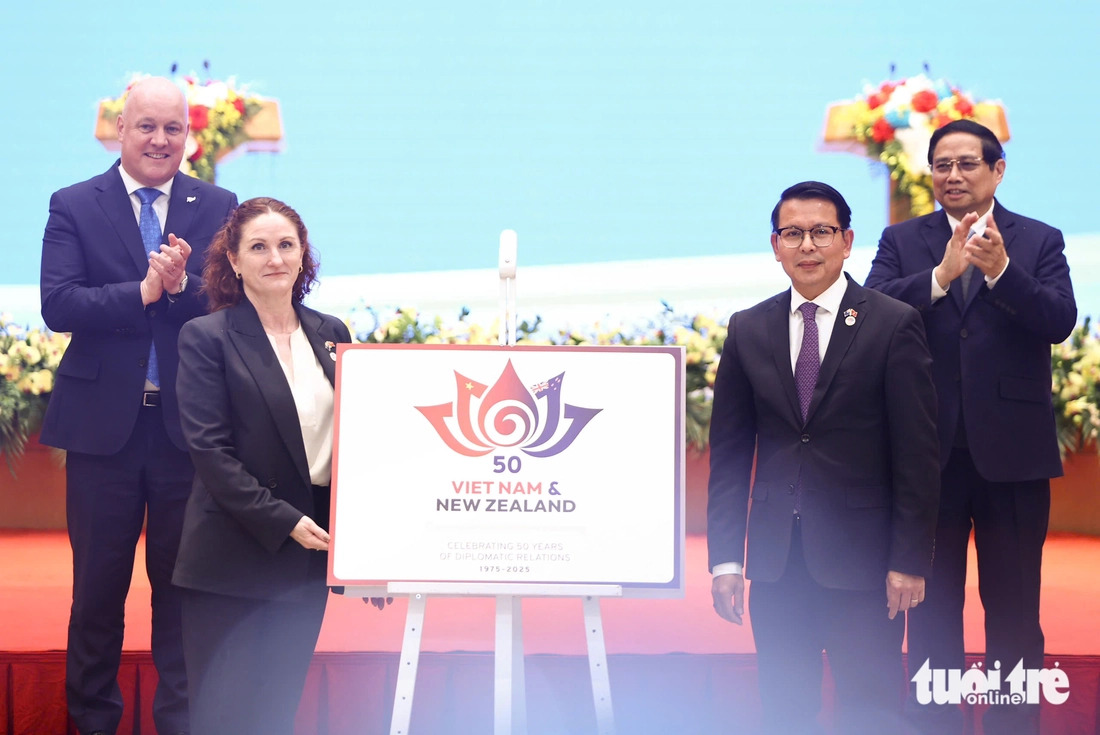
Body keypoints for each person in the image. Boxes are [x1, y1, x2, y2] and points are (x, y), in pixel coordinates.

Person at [39, 76, 237, 735]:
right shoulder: (74, 204)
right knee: (97, 595)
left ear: (189, 136)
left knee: (182, 595)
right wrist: (144, 291)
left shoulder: (217, 204)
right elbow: (59, 304)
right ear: (119, 131)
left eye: (172, 129)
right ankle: (92, 723)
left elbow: (226, 310)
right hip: (104, 435)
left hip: (188, 432)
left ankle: (181, 723)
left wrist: (178, 291)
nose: (158, 140)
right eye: (145, 126)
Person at [865, 119, 1077, 735]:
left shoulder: (1038, 240)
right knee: (930, 608)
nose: (952, 176)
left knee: (1013, 609)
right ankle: (936, 725)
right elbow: (868, 314)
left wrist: (1003, 274)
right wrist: (940, 278)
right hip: (926, 453)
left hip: (1011, 454)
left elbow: (1059, 320)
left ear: (997, 171)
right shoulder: (903, 241)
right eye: (941, 166)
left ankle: (1015, 725)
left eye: (965, 164)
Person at [708, 181, 940, 734]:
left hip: (862, 562)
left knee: (871, 707)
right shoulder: (748, 327)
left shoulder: (892, 322)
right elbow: (731, 455)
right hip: (776, 562)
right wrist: (726, 561)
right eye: (793, 233)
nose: (807, 245)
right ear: (775, 244)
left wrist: (909, 558)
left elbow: (918, 453)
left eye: (821, 232)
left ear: (847, 240)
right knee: (785, 708)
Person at [171, 197, 384, 734]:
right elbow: (211, 453)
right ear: (234, 261)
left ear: (303, 255)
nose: (275, 258)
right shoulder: (206, 338)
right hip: (231, 558)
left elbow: (356, 442)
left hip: (306, 561)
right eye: (259, 247)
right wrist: (283, 520)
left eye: (287, 245)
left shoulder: (331, 332)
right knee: (222, 717)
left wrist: (368, 545)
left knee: (274, 713)